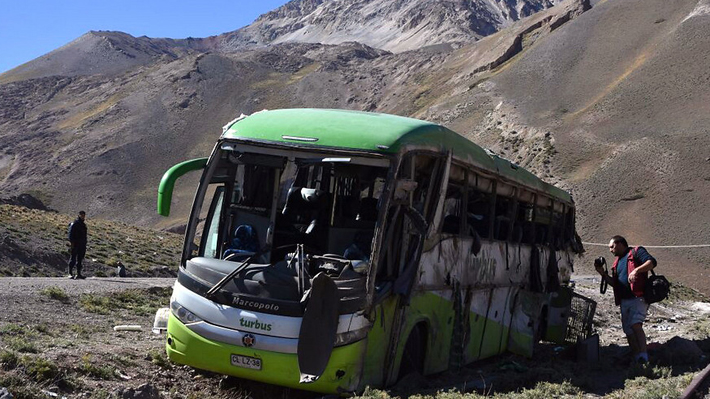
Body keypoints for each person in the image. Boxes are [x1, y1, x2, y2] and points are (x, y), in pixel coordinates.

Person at [595, 235, 657, 364]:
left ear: (620, 243)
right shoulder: (617, 263)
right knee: (628, 330)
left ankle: (644, 356)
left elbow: (651, 262)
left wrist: (636, 271)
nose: (611, 250)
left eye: (612, 246)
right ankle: (636, 357)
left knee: (635, 324)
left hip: (638, 297)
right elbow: (615, 284)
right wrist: (602, 273)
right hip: (624, 300)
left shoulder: (636, 252)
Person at [68, 211, 88, 279]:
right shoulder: (75, 223)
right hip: (75, 244)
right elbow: (70, 234)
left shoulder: (83, 225)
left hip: (82, 245)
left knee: (80, 259)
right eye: (81, 215)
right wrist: (72, 243)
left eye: (84, 215)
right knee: (73, 258)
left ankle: (78, 273)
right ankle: (70, 273)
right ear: (79, 215)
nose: (83, 216)